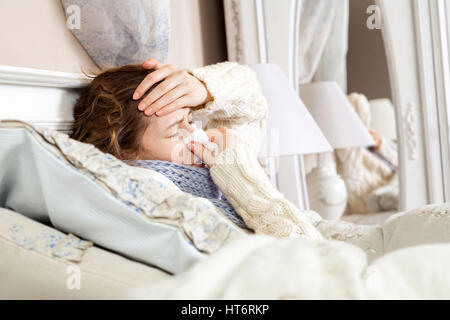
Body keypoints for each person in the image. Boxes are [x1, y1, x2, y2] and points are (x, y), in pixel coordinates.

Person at [70, 59, 323, 240]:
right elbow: (314, 264)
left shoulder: (205, 178)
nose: (198, 136)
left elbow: (252, 98)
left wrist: (202, 87)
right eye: (175, 132)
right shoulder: (170, 208)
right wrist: (243, 176)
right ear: (124, 154)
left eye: (190, 121)